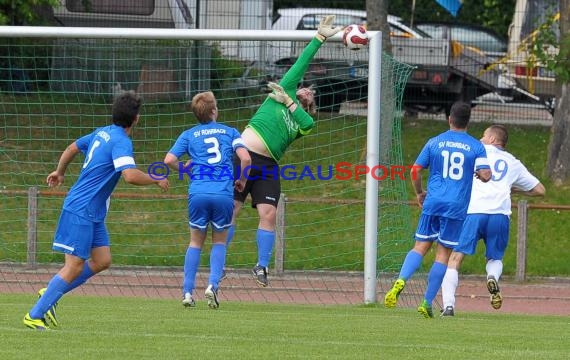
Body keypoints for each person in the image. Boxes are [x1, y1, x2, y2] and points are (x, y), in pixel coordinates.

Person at [23, 90, 170, 330]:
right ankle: (35, 314)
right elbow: (130, 176)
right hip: (81, 208)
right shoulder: (121, 141)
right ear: (136, 119)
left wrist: (60, 171)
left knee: (102, 260)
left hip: (92, 211)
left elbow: (72, 148)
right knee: (74, 266)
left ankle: (51, 290)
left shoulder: (102, 132)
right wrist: (155, 178)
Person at [223, 15, 343, 287]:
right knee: (231, 210)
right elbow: (301, 64)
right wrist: (320, 38)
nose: (306, 92)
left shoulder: (302, 119)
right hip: (243, 157)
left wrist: (289, 102)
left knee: (269, 214)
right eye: (303, 90)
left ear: (310, 105)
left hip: (268, 166)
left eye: (311, 96)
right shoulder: (283, 90)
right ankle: (220, 261)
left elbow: (308, 123)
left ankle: (261, 267)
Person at [383, 101, 492, 318]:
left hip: (432, 202)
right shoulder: (476, 146)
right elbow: (486, 175)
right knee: (442, 255)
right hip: (456, 207)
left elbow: (415, 170)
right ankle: (426, 302)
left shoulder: (434, 142)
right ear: (468, 122)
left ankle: (400, 281)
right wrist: (479, 174)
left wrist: (419, 192)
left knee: (420, 247)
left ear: (449, 119)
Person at [440, 124, 546, 316]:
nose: (480, 139)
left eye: (483, 136)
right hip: (499, 214)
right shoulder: (513, 162)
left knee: (455, 258)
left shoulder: (475, 153)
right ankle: (492, 277)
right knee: (495, 258)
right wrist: (515, 189)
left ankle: (448, 306)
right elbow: (540, 190)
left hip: (473, 212)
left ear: (492, 139)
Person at [164, 91, 251, 309]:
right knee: (219, 241)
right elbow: (246, 158)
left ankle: (186, 292)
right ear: (214, 111)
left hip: (198, 193)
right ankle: (212, 286)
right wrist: (241, 180)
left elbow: (169, 160)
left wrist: (185, 169)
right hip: (222, 193)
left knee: (195, 242)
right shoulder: (230, 132)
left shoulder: (189, 134)